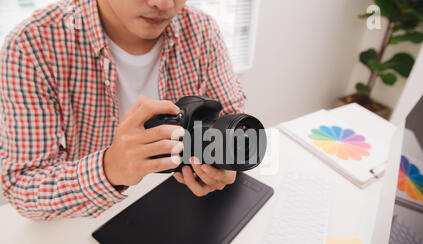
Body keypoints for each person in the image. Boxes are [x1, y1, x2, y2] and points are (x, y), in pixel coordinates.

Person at [0, 0, 246, 220]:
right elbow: (23, 188)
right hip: (83, 219)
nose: (162, 4)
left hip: (184, 210)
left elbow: (233, 121)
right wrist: (109, 169)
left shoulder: (201, 29)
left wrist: (224, 164)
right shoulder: (31, 46)